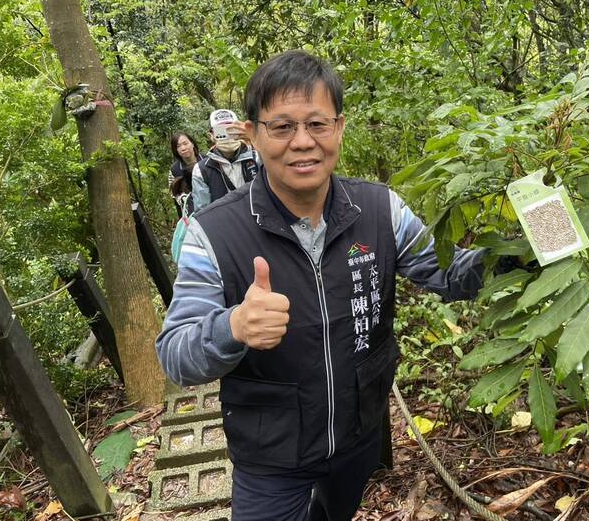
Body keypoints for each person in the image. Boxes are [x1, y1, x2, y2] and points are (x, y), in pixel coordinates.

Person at [156, 51, 526, 521]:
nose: (303, 142)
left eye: (317, 124)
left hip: (358, 433)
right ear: (252, 134)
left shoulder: (381, 210)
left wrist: (519, 253)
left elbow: (447, 273)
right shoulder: (213, 234)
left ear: (339, 127)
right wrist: (233, 327)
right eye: (282, 127)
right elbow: (176, 354)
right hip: (271, 454)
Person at [191, 109, 261, 211]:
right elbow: (203, 211)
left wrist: (255, 138)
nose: (227, 135)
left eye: (231, 129)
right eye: (220, 131)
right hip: (223, 219)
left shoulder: (258, 157)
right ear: (211, 135)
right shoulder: (201, 170)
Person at [169, 131, 202, 217]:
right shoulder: (174, 170)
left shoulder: (206, 161)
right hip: (191, 214)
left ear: (192, 143)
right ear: (175, 150)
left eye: (185, 143)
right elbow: (174, 194)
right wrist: (183, 198)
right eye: (178, 146)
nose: (183, 148)